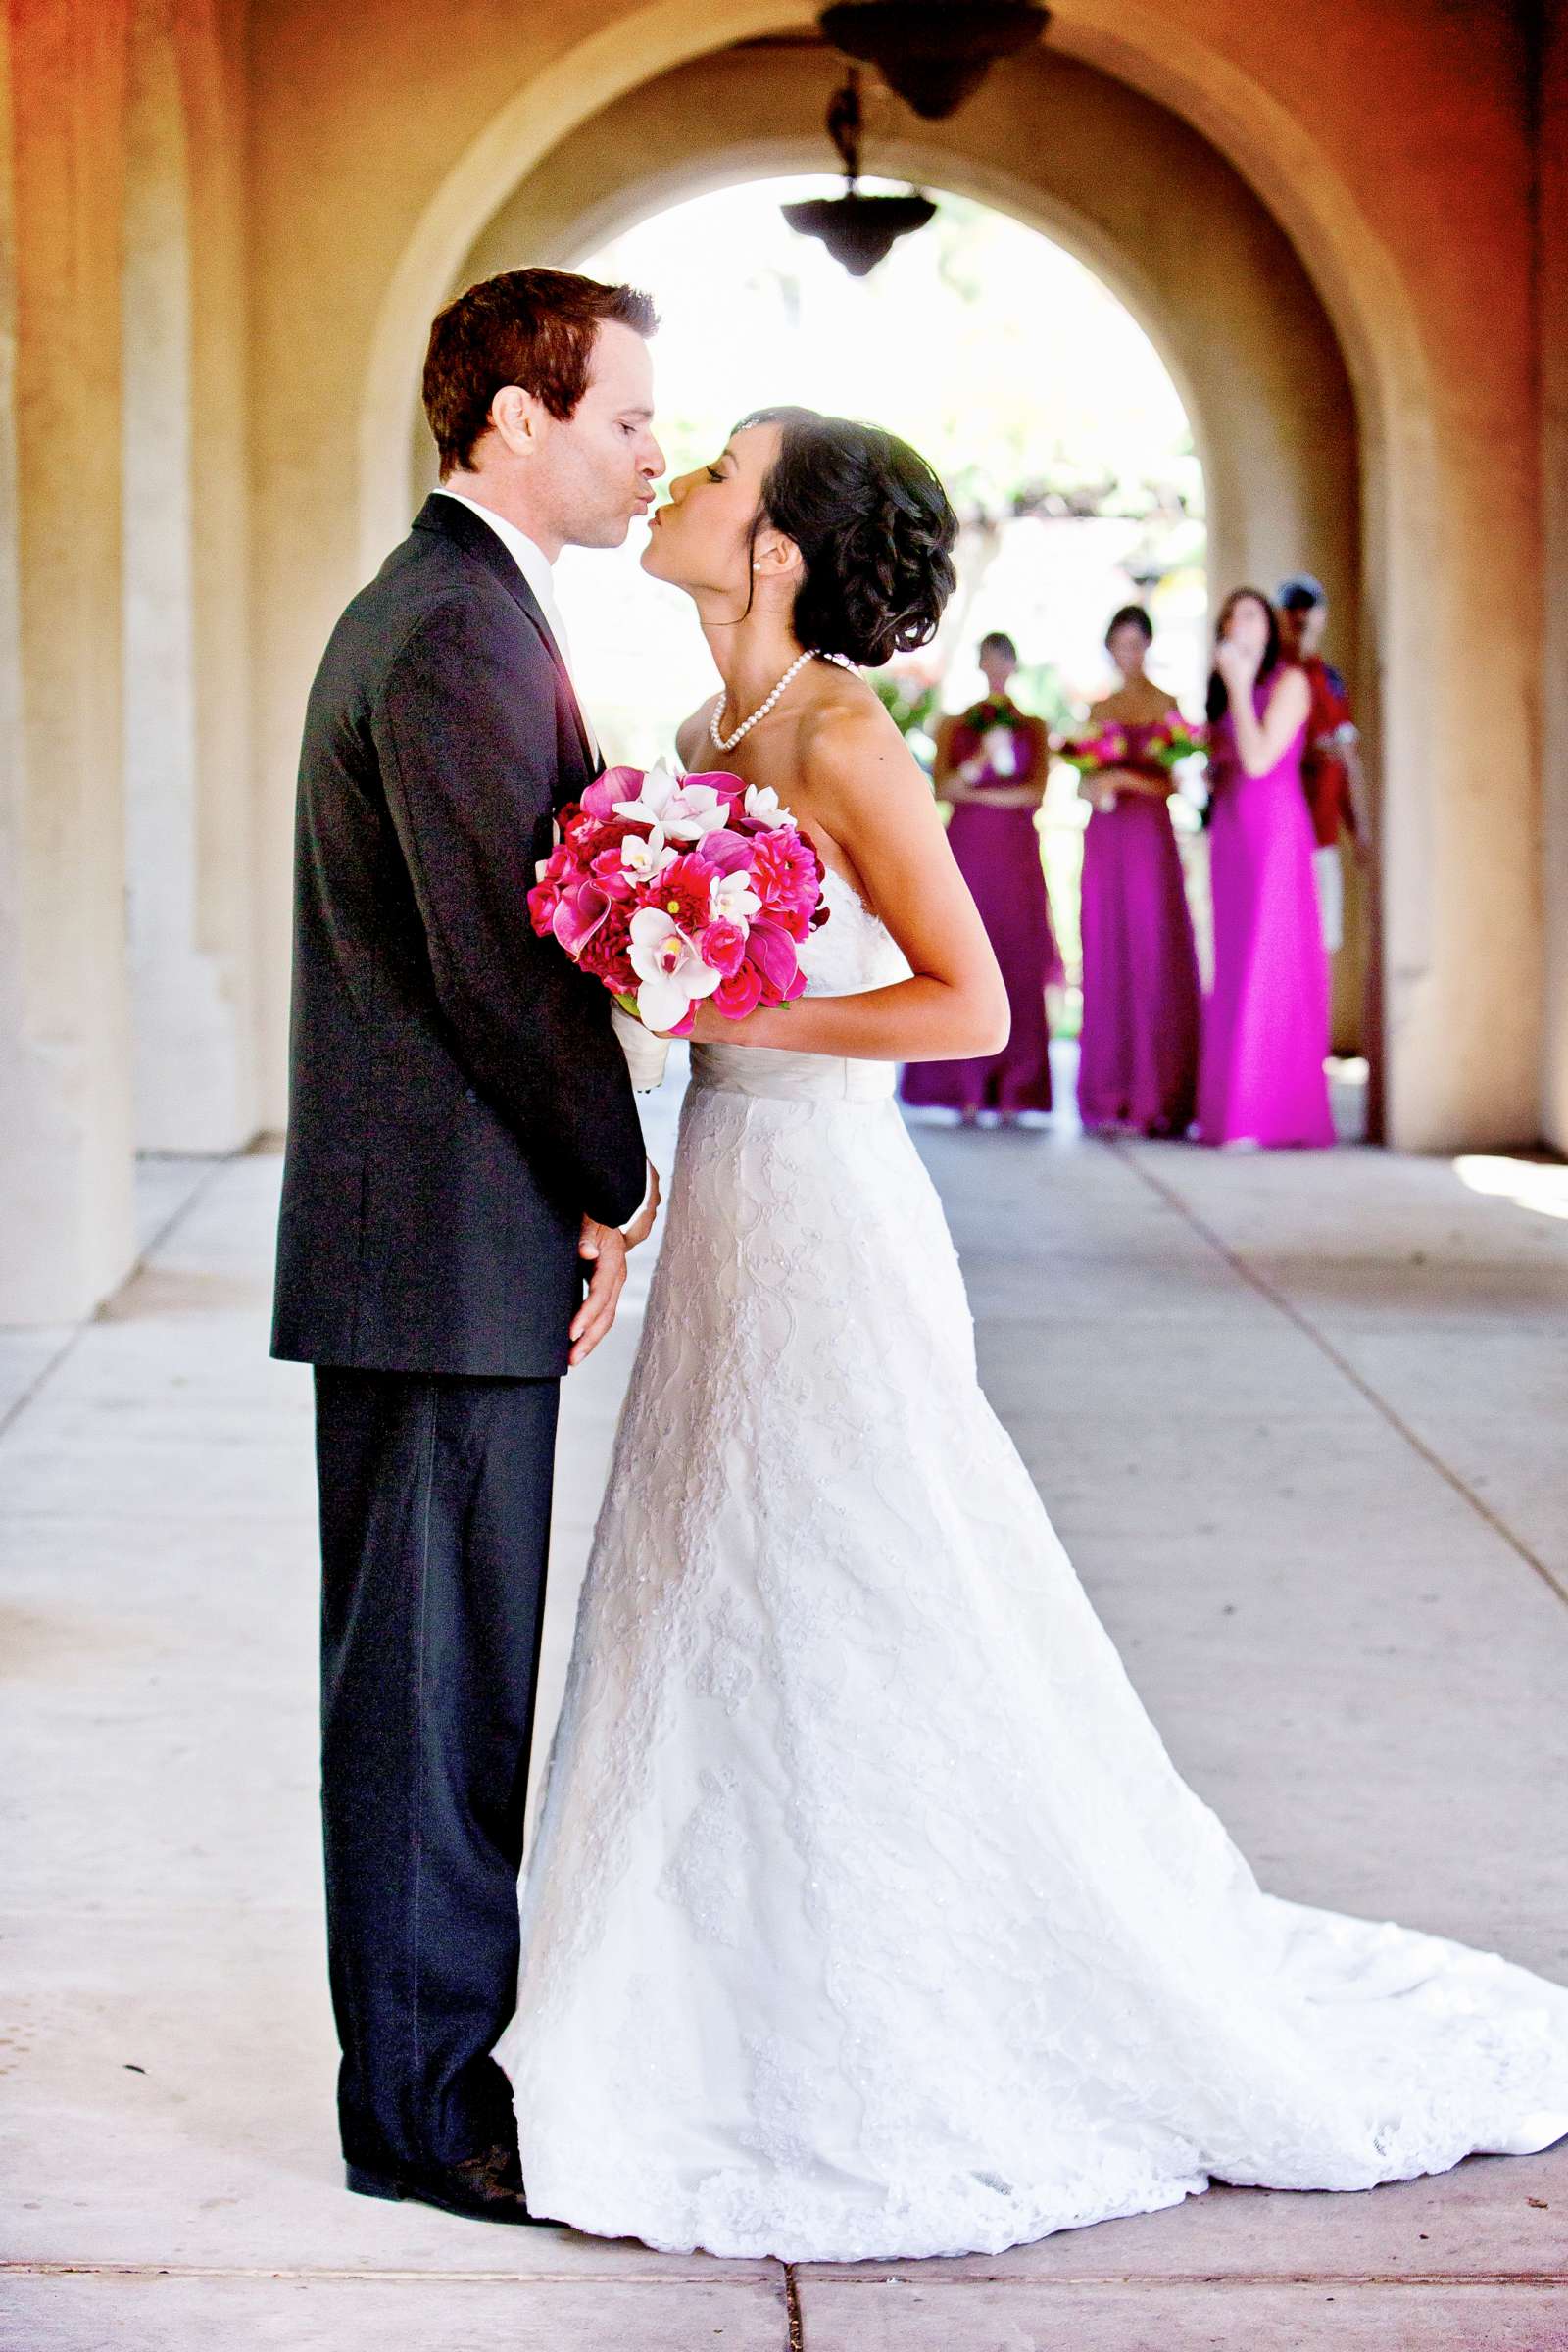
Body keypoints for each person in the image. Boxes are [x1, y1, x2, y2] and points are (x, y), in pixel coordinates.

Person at [495, 413, 1568, 2260]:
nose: (685, 488)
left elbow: (968, 1002)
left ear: (780, 552)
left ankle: (919, 1983)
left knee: (870, 1564)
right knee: (710, 1571)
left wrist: (718, 994)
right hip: (735, 1195)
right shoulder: (692, 741)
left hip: (830, 1200)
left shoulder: (843, 734)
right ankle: (698, 1982)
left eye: (725, 474)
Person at [270, 269, 664, 2227]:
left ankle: (437, 2078)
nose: (648, 451)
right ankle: (418, 2121)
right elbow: (491, 974)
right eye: (620, 419)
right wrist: (612, 1173)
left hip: (439, 1243)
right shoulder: (443, 636)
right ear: (513, 418)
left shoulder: (472, 613)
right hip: (429, 1245)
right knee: (429, 1700)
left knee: (446, 1683)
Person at [899, 629, 1061, 1123]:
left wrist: (984, 797)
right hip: (968, 851)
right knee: (965, 954)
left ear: (1013, 666)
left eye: (1003, 659)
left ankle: (1016, 1088)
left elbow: (1035, 793)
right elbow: (944, 788)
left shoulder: (1033, 726)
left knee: (1016, 955)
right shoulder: (955, 724)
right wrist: (979, 766)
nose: (996, 667)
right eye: (988, 658)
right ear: (979, 664)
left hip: (1016, 854)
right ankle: (963, 1087)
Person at [1197, 588, 1336, 1150]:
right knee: (1233, 962)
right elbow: (1229, 759)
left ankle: (1264, 1113)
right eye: (1230, 617)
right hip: (1231, 832)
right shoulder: (1238, 688)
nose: (1238, 624)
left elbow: (1259, 759)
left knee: (1268, 960)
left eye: (1249, 615)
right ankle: (1231, 1108)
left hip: (1275, 832)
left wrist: (1233, 683)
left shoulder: (1291, 683)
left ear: (1270, 628)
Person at [1073, 604, 1201, 1136]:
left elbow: (1173, 783)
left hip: (1150, 839)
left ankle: (1159, 1093)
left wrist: (1124, 780)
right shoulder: (1098, 709)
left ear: (1148, 645)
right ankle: (1111, 1093)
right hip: (1106, 840)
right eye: (1120, 644)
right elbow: (1082, 783)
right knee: (1107, 951)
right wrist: (1097, 783)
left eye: (1136, 643)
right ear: (1110, 648)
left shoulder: (1167, 705)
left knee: (1154, 952)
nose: (1128, 654)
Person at [1276, 574, 1371, 954]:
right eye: (1292, 611)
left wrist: (1359, 825)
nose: (1301, 619)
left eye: (1308, 611)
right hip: (1285, 829)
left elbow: (1349, 760)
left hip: (1323, 831)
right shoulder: (1274, 680)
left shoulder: (1330, 681)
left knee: (1322, 943)